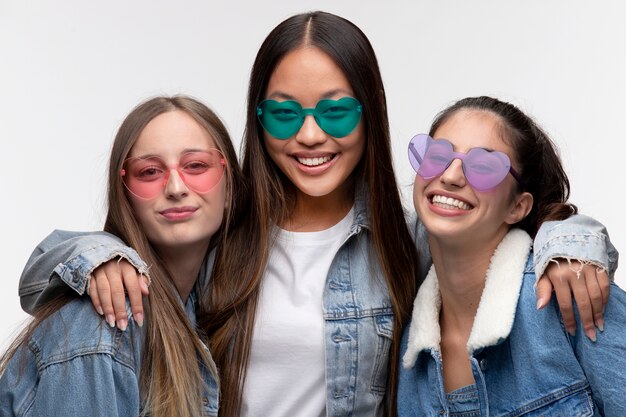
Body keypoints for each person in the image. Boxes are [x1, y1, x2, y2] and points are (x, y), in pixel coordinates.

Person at [16, 12, 618, 417]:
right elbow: (68, 267)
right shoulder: (217, 236)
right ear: (258, 123)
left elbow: (507, 226)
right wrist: (99, 253)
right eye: (283, 114)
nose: (309, 136)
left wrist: (573, 243)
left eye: (335, 113)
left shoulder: (407, 242)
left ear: (369, 116)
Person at [1, 95, 245, 417]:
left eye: (196, 165)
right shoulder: (107, 321)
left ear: (230, 189)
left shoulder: (204, 307)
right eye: (149, 172)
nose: (175, 187)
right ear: (125, 196)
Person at [398, 96, 625, 416]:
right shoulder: (400, 351)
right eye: (437, 155)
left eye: (483, 166)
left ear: (518, 206)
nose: (450, 176)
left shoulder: (572, 295)